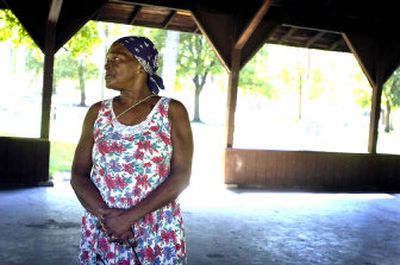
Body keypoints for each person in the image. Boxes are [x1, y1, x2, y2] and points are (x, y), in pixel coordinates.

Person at [70, 36, 193, 265]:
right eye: (107, 60)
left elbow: (181, 177)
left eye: (117, 58)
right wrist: (107, 218)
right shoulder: (98, 112)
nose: (108, 65)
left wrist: (127, 218)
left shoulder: (171, 111)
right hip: (105, 228)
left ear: (140, 65)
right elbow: (78, 173)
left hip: (156, 228)